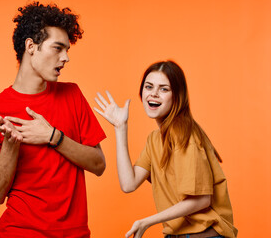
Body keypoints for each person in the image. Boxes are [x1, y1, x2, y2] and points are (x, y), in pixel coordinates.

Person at [0, 2, 106, 237]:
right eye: (57, 48)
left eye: (67, 50)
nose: (66, 58)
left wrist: (54, 137)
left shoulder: (72, 95)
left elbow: (98, 164)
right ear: (31, 46)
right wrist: (10, 148)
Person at [94, 60, 237, 238]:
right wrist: (120, 127)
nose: (153, 94)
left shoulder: (184, 135)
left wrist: (147, 221)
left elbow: (201, 199)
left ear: (177, 96)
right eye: (149, 87)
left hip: (204, 234)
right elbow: (128, 184)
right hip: (178, 234)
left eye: (164, 89)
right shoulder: (155, 139)